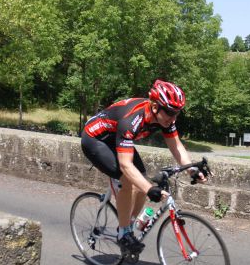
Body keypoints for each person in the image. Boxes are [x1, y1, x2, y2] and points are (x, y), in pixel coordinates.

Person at [80, 79, 206, 254]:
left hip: (116, 138)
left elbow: (176, 147)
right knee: (127, 179)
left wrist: (192, 170)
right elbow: (125, 165)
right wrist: (149, 189)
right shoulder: (133, 119)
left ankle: (128, 226)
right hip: (96, 140)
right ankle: (123, 234)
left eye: (177, 113)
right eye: (170, 112)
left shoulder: (166, 119)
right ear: (155, 107)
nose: (173, 118)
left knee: (141, 178)